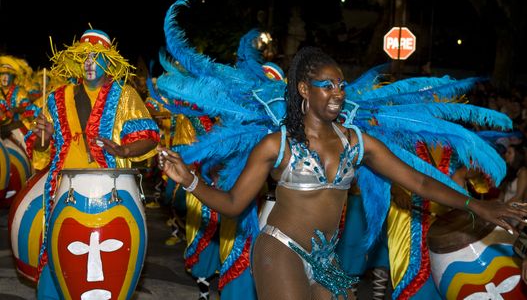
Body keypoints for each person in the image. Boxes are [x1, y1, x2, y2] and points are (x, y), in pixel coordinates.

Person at [157, 46, 527, 299]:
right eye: (327, 85)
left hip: (326, 257)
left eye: (341, 86)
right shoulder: (276, 145)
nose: (337, 93)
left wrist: (476, 207)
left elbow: (418, 180)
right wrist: (189, 180)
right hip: (281, 250)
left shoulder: (358, 143)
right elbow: (234, 204)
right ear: (304, 89)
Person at [26, 28, 160, 299]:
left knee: (111, 266)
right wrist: (43, 136)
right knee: (60, 258)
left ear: (108, 62)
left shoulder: (125, 95)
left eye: (96, 57)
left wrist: (123, 148)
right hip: (65, 187)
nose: (89, 63)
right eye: (84, 57)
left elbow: (149, 138)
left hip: (112, 191)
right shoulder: (56, 97)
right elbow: (39, 148)